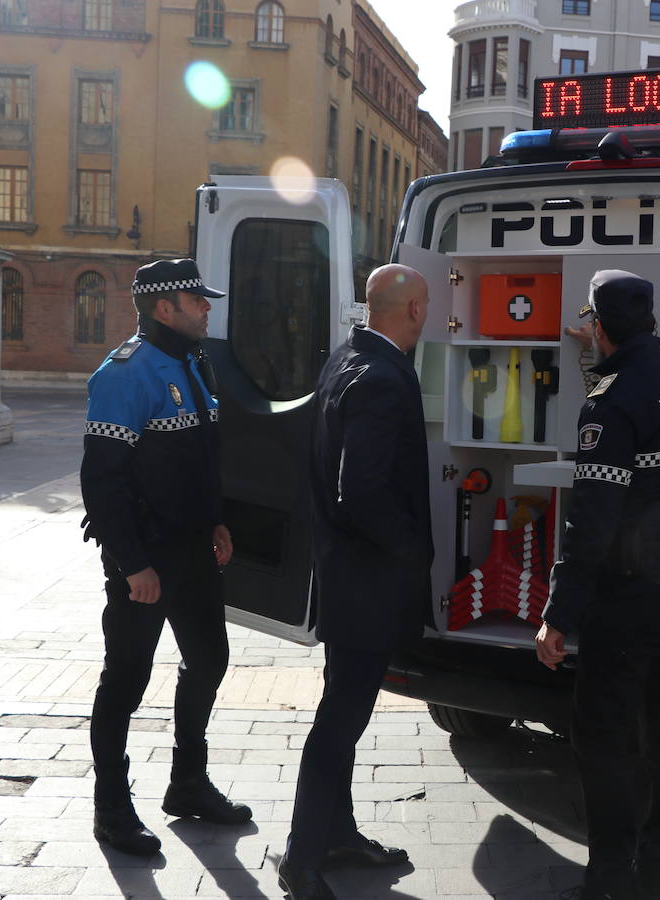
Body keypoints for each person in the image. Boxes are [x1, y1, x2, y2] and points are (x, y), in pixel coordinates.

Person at [536, 270, 660, 900]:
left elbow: (592, 521)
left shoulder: (608, 407)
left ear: (600, 326)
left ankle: (609, 878)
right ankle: (657, 874)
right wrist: (598, 359)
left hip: (632, 595)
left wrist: (558, 614)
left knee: (603, 737)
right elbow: (645, 427)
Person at [80, 258, 252, 856]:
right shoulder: (126, 374)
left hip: (193, 549)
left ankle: (187, 784)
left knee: (209, 659)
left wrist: (217, 520)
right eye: (196, 300)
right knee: (125, 680)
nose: (207, 308)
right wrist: (131, 564)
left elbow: (200, 457)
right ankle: (111, 808)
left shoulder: (190, 362)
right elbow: (102, 480)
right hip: (145, 558)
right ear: (164, 308)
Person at [278, 264, 433, 900]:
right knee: (341, 718)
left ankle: (336, 835)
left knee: (345, 708)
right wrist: (409, 552)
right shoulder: (381, 379)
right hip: (366, 581)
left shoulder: (348, 357)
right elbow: (361, 490)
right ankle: (302, 856)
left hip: (346, 575)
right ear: (415, 310)